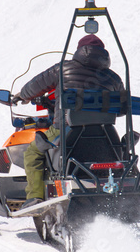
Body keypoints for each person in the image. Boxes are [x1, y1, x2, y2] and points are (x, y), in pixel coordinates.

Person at [13, 35, 124, 209]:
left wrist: (22, 95)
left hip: (65, 129)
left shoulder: (63, 69)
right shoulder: (114, 78)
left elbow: (35, 86)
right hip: (104, 135)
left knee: (33, 152)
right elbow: (121, 109)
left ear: (79, 50)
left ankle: (35, 197)